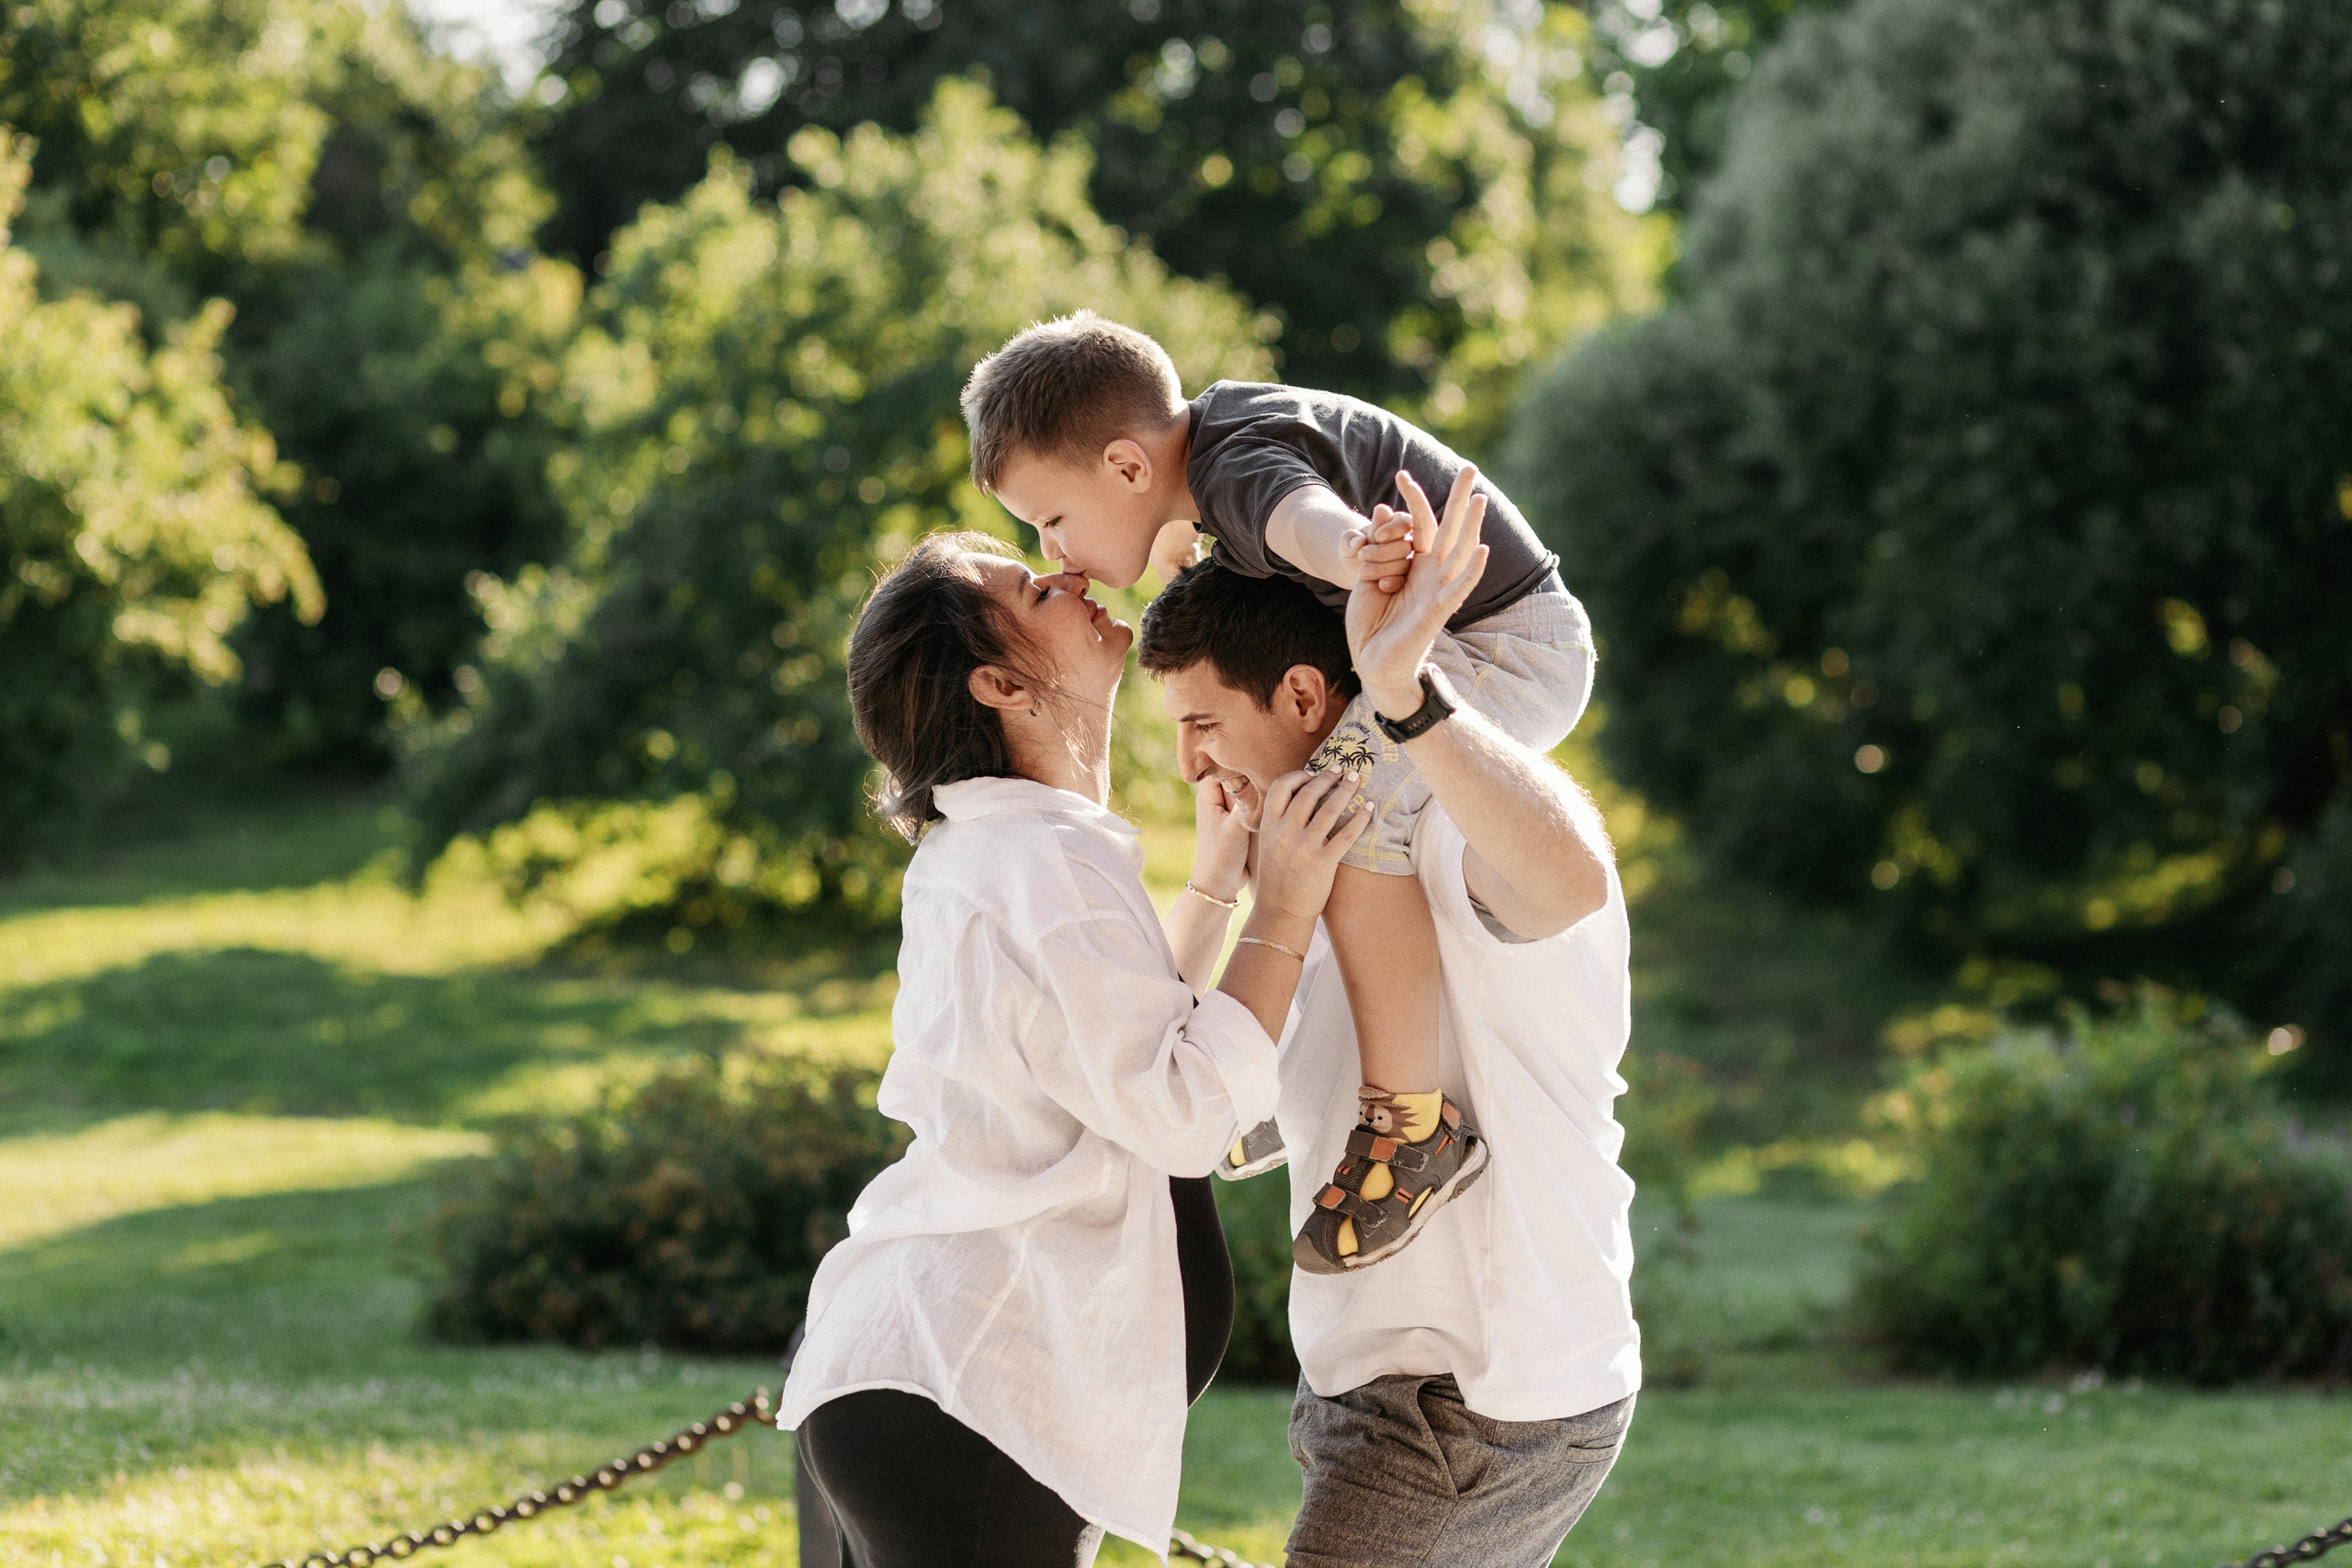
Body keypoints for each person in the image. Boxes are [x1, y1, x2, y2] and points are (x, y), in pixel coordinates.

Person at [777, 531, 1370, 1567]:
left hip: (955, 1392)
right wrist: (1283, 903)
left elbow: (1123, 1061)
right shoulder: (1034, 860)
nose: (1071, 579)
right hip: (969, 1403)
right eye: (1029, 587)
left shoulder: (1018, 848)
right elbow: (1183, 1113)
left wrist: (1220, 880)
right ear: (1002, 683)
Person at [960, 310, 1595, 1276]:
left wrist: (1356, 556)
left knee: (1344, 819)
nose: (1056, 551)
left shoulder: (1237, 469)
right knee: (1297, 822)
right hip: (1472, 637)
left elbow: (1301, 519)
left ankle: (1406, 1128)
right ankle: (1289, 1082)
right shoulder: (1214, 468)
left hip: (1503, 646)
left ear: (1129, 468)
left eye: (1051, 519)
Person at [1135, 473, 1641, 1568]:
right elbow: (1190, 1108)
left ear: (1310, 698)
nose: (1189, 765)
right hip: (1365, 1388)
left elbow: (1570, 883)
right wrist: (1222, 883)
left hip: (1480, 1393)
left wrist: (1406, 692)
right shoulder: (1300, 882)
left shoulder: (1435, 824)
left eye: (1204, 725)